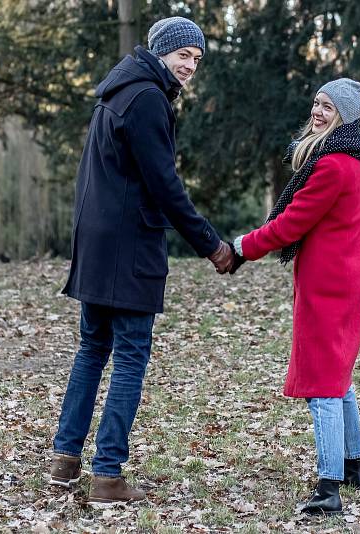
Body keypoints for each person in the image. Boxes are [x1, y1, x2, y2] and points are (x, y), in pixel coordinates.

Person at [50, 16, 234, 507]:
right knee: (130, 355)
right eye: (184, 55)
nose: (190, 65)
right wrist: (211, 244)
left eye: (197, 59)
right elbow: (164, 185)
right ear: (162, 51)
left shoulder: (116, 91)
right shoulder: (148, 97)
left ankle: (64, 460)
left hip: (97, 242)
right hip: (128, 246)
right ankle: (107, 476)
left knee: (93, 350)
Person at [230, 78, 360, 515]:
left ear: (344, 116)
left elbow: (291, 224)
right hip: (347, 281)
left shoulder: (333, 165)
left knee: (323, 387)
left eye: (328, 106)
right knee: (340, 377)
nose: (318, 111)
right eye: (316, 102)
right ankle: (352, 468)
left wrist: (240, 248)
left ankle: (329, 488)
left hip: (329, 287)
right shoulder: (357, 159)